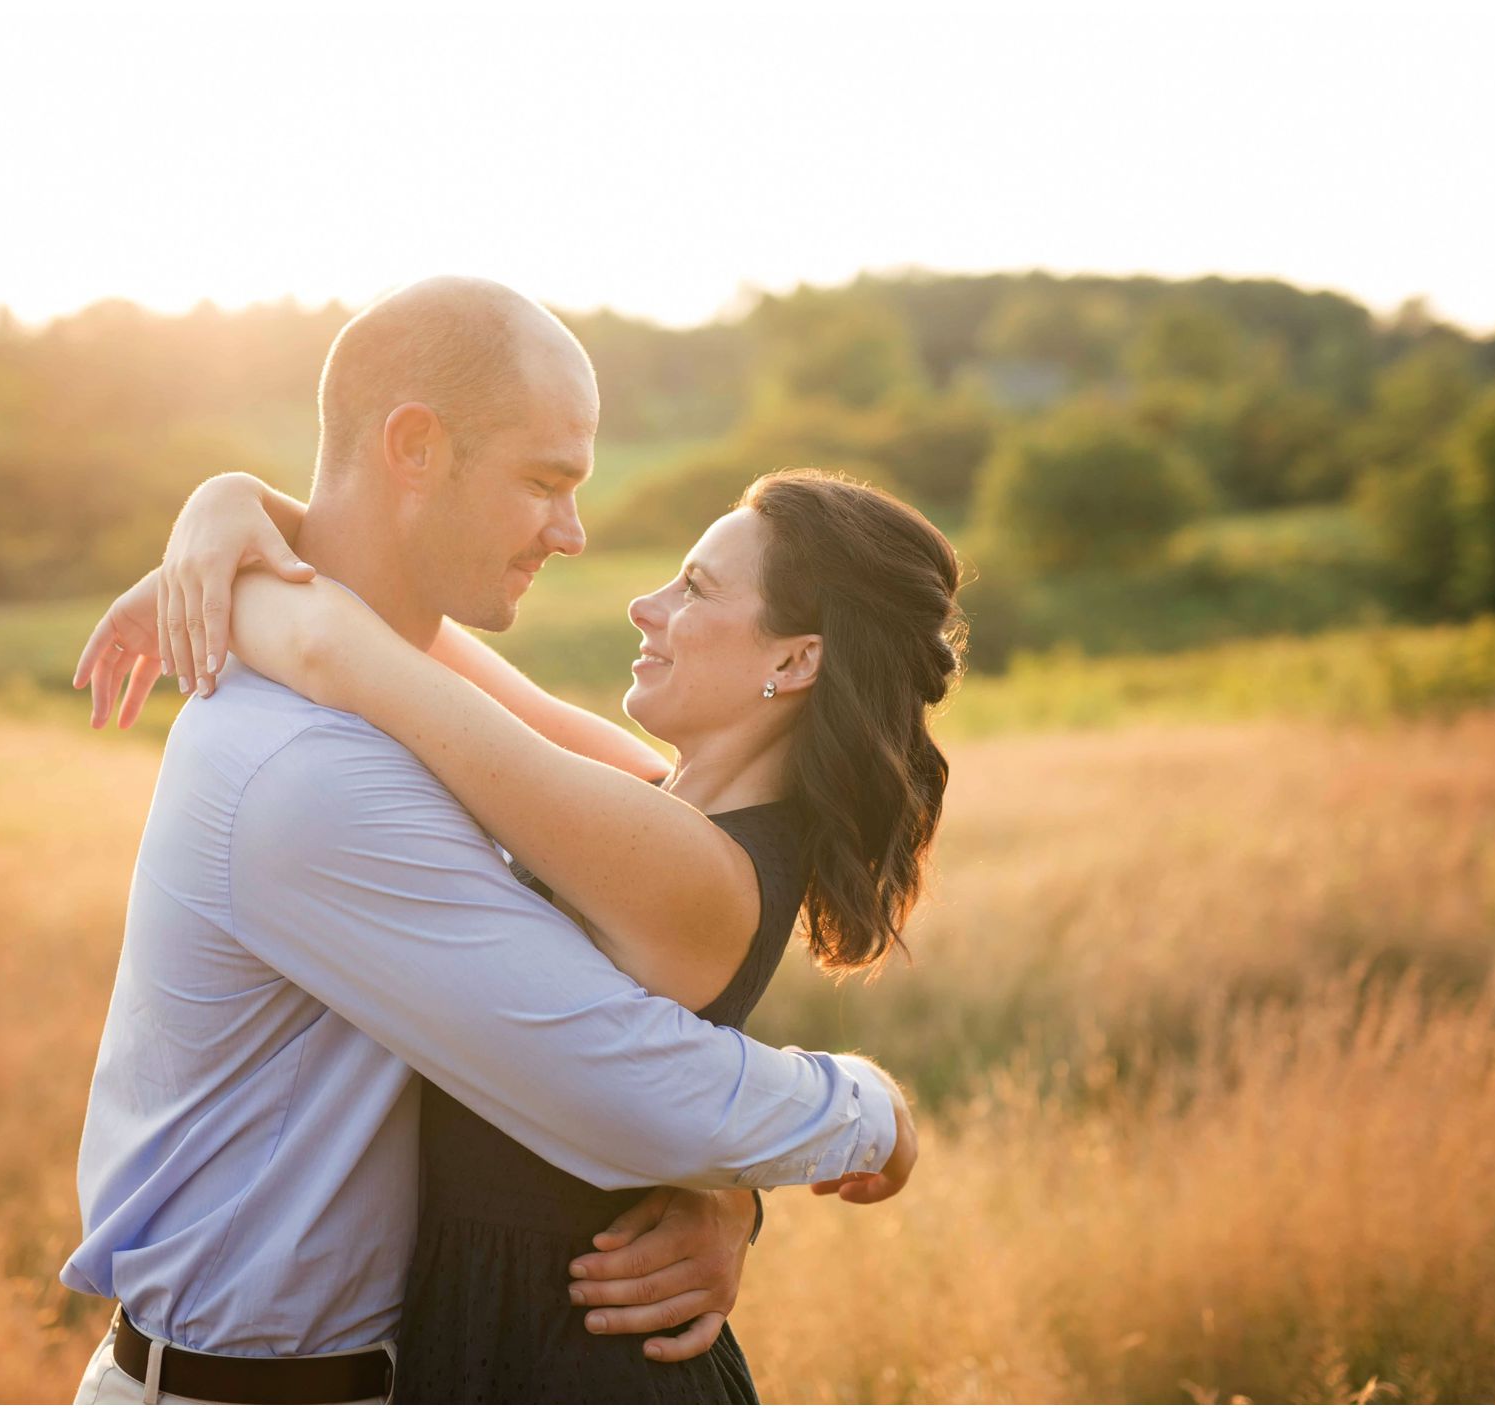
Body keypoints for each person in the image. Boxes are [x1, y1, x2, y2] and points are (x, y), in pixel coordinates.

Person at [53, 277, 914, 1405]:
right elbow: (624, 1089)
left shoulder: (416, 719)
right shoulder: (313, 773)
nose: (575, 535)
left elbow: (619, 1060)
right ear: (413, 447)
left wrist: (239, 525)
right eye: (544, 482)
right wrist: (869, 1115)